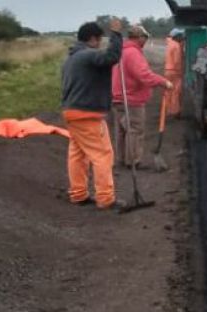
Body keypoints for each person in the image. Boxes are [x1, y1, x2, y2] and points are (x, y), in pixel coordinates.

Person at [60, 19, 123, 210]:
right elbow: (111, 57)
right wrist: (116, 35)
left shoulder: (71, 59)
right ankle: (106, 198)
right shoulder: (87, 56)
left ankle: (78, 194)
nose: (100, 44)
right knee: (103, 155)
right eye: (100, 40)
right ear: (93, 39)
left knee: (77, 155)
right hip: (87, 114)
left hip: (72, 112)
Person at [111, 25, 173, 168]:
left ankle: (121, 159)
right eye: (145, 37)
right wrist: (163, 82)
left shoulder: (121, 51)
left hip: (118, 97)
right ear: (139, 37)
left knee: (121, 131)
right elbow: (143, 75)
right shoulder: (133, 53)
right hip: (131, 99)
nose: (146, 40)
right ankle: (133, 161)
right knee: (134, 130)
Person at [165, 28, 185, 118]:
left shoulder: (169, 44)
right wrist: (180, 72)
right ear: (177, 36)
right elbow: (177, 61)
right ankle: (175, 111)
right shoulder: (176, 45)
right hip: (175, 72)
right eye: (181, 35)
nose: (183, 37)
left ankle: (168, 110)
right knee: (176, 92)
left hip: (167, 70)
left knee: (169, 91)